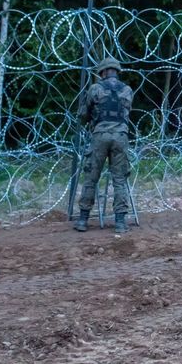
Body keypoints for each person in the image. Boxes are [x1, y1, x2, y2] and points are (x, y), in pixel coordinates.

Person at [75, 56, 135, 233]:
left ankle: (83, 220)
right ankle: (120, 222)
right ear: (117, 71)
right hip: (121, 136)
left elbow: (83, 115)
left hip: (100, 135)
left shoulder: (95, 88)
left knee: (91, 177)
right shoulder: (127, 90)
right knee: (119, 179)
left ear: (102, 72)